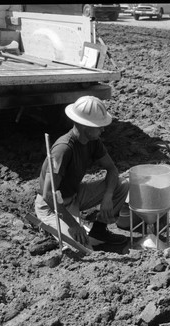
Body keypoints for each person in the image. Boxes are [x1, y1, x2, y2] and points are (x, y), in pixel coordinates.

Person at [34, 96, 129, 250]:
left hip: (74, 195)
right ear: (86, 126)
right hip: (53, 206)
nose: (103, 129)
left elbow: (112, 169)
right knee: (82, 248)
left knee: (121, 184)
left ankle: (99, 232)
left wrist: (107, 197)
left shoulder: (93, 141)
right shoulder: (63, 149)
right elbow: (49, 195)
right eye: (99, 126)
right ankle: (65, 231)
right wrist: (73, 225)